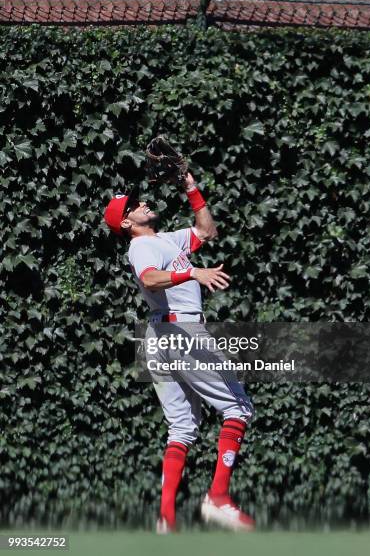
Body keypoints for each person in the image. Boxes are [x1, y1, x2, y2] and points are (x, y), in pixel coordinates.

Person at [104, 171, 254, 532]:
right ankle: (217, 497)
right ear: (126, 222)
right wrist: (193, 275)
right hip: (180, 330)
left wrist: (191, 189)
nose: (142, 203)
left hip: (161, 336)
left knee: (182, 428)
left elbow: (205, 232)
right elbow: (149, 278)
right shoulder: (140, 246)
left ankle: (166, 518)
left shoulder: (166, 239)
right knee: (238, 407)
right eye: (133, 206)